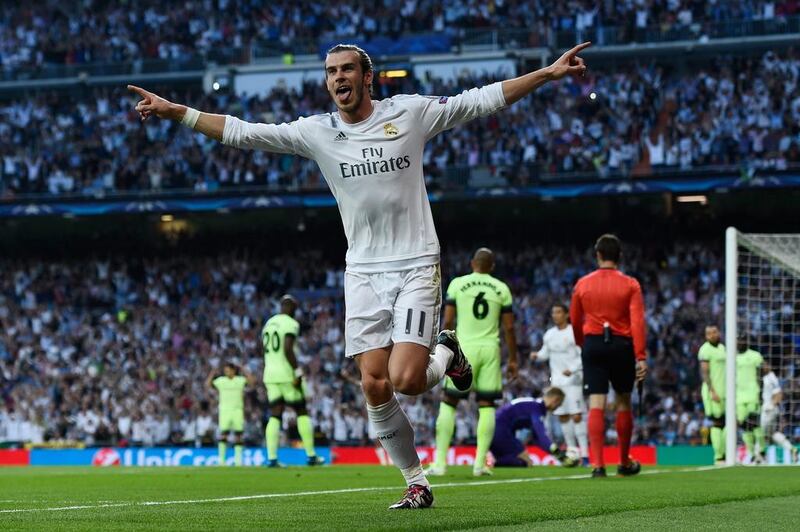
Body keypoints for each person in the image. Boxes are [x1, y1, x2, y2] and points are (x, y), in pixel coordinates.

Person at [128, 40, 591, 509]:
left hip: (414, 263)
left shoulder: (409, 113)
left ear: (367, 77)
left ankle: (447, 351)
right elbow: (243, 132)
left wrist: (545, 74)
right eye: (331, 72)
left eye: (347, 69)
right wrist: (176, 111)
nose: (338, 78)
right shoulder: (316, 132)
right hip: (363, 271)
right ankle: (416, 481)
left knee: (407, 379)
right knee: (374, 383)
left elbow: (482, 99)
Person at [428, 247, 517, 477]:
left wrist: (440, 348)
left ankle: (439, 463)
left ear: (472, 263)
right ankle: (479, 464)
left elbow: (448, 319)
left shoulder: (458, 284)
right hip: (490, 349)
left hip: (463, 348)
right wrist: (514, 359)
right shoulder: (501, 288)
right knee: (487, 404)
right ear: (492, 267)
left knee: (449, 401)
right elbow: (508, 326)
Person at [570, 234, 647, 478]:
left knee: (596, 401)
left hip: (593, 343)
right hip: (621, 344)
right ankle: (624, 462)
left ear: (598, 255)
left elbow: (574, 319)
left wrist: (584, 344)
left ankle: (598, 465)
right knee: (623, 400)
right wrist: (641, 356)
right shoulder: (631, 284)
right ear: (619, 256)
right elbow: (637, 322)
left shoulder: (583, 284)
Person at [262, 295, 324, 467]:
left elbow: (263, 349)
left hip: (270, 373)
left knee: (275, 413)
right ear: (292, 307)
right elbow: (288, 349)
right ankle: (311, 455)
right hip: (286, 373)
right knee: (301, 410)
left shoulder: (269, 323)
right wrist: (297, 372)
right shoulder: (290, 323)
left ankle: (272, 458)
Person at [530, 303, 588, 465]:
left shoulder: (574, 332)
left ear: (567, 314)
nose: (555, 315)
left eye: (558, 312)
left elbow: (583, 355)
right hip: (557, 381)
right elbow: (545, 353)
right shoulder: (549, 334)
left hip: (574, 379)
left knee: (576, 415)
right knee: (562, 415)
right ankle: (572, 451)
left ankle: (585, 454)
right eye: (553, 312)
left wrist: (574, 369)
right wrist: (537, 356)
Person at [490, 387, 578, 467]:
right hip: (499, 430)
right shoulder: (537, 408)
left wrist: (556, 454)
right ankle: (494, 462)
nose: (558, 407)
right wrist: (558, 453)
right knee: (526, 461)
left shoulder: (533, 404)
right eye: (559, 404)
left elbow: (537, 438)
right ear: (555, 399)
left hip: (493, 428)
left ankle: (494, 461)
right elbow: (541, 435)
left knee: (515, 459)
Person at [205, 362, 254, 466]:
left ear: (234, 371)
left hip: (237, 410)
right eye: (225, 371)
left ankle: (238, 461)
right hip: (225, 411)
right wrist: (213, 373)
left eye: (228, 370)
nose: (226, 372)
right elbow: (207, 384)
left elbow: (252, 382)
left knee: (238, 435)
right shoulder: (221, 381)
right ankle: (222, 461)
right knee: (224, 434)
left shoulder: (240, 380)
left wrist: (244, 369)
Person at [697, 325, 726, 464]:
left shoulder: (724, 348)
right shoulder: (705, 350)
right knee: (717, 422)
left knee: (727, 422)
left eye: (714, 332)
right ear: (706, 336)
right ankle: (719, 456)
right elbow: (705, 372)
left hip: (726, 391)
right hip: (712, 391)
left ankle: (727, 454)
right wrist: (712, 390)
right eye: (709, 333)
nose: (712, 335)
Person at [760, 358, 798, 463]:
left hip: (769, 409)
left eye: (765, 364)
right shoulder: (767, 377)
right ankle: (792, 449)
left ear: (769, 365)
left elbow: (779, 394)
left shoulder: (770, 377)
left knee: (760, 432)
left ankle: (759, 457)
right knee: (773, 434)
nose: (763, 366)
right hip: (770, 408)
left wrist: (771, 405)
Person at [736, 336, 764, 463]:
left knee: (754, 423)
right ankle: (752, 453)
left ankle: (762, 450)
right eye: (738, 341)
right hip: (739, 397)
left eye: (742, 341)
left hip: (753, 394)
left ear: (747, 342)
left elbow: (760, 375)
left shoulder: (755, 356)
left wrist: (761, 393)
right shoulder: (732, 358)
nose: (739, 343)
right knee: (744, 426)